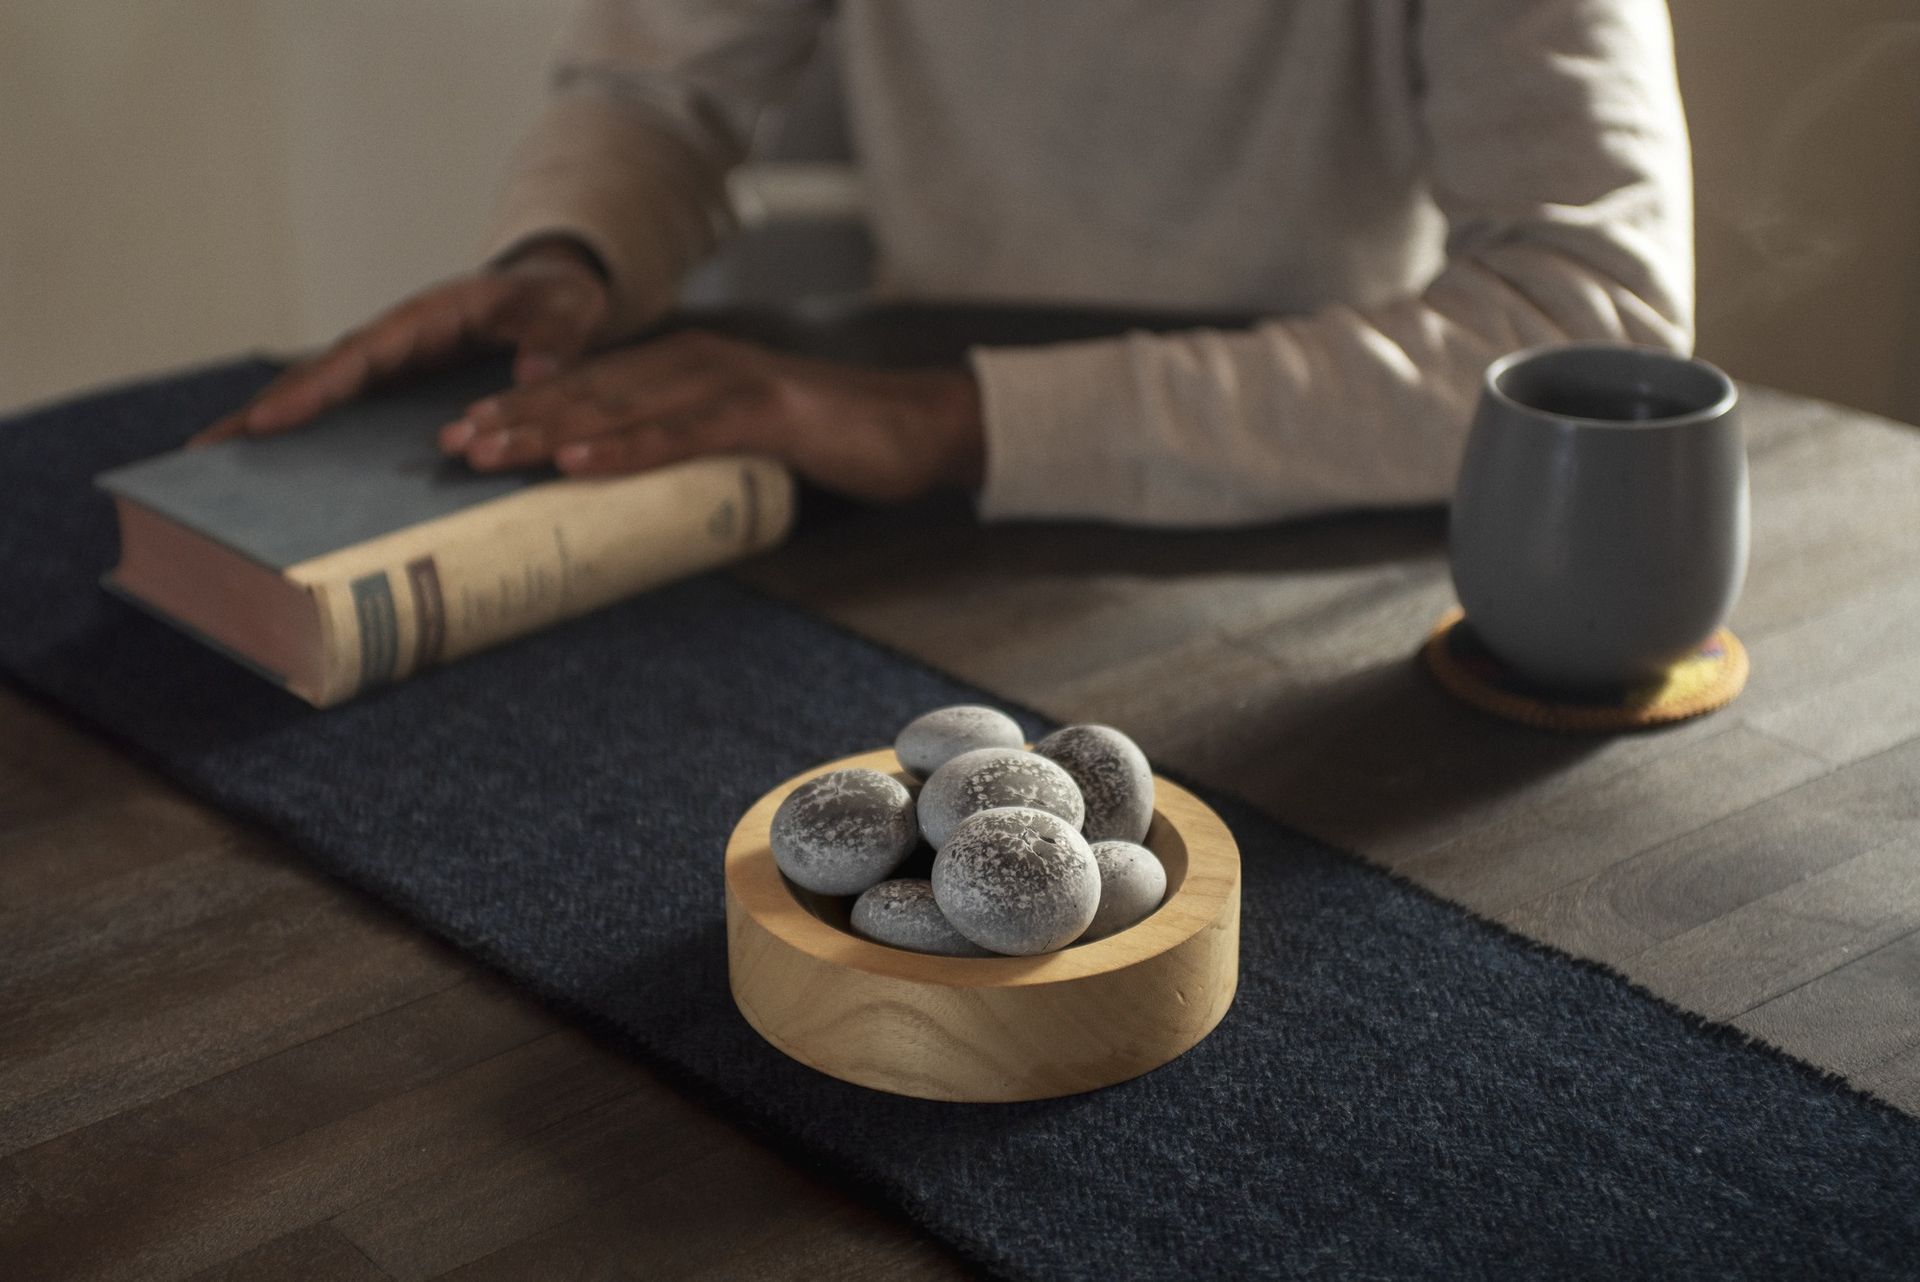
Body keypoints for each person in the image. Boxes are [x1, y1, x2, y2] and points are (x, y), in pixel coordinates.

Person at [200, 0, 1693, 526]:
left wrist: (952, 419)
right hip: (910, 510)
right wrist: (568, 253)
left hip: (1325, 519)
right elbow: (657, 92)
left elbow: (1592, 319)